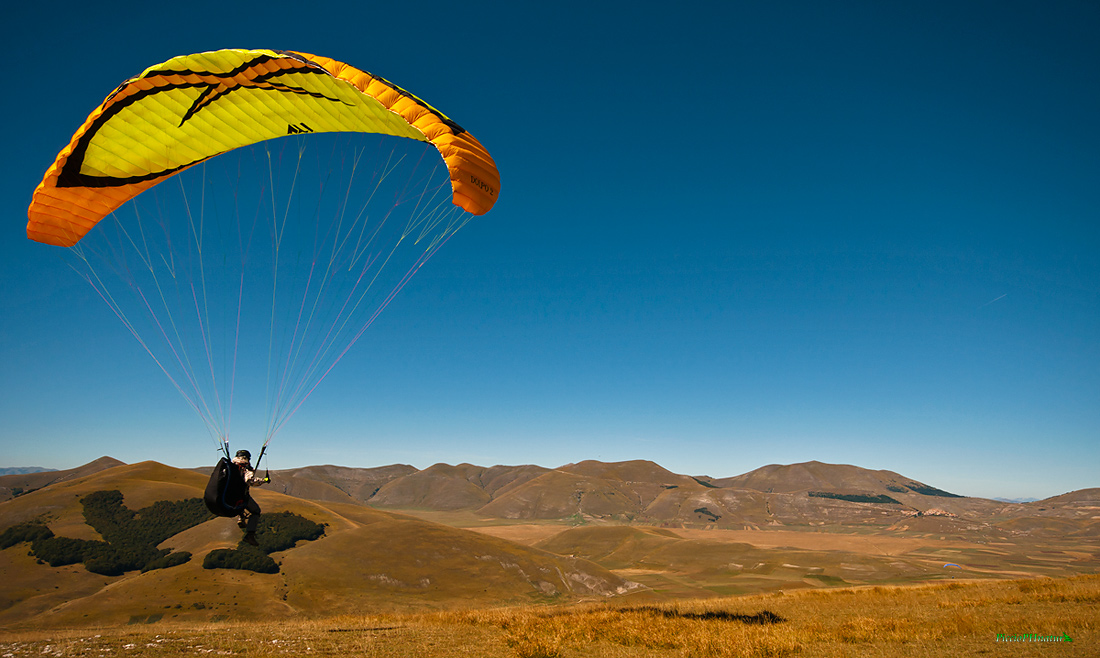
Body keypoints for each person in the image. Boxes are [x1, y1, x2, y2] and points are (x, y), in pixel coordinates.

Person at [231, 449, 269, 546]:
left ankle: (241, 517)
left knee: (241, 500)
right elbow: (251, 481)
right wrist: (264, 480)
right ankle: (250, 535)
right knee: (256, 511)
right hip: (240, 496)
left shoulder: (230, 465)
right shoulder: (245, 467)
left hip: (227, 496)